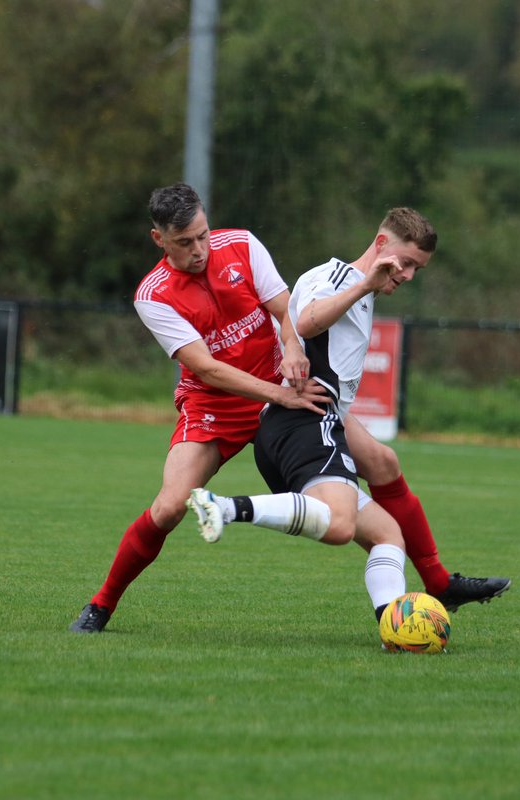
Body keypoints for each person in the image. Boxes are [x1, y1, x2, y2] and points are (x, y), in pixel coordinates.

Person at [70, 185, 509, 633]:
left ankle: (436, 583)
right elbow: (206, 367)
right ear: (158, 239)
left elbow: (286, 312)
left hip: (289, 389)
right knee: (167, 509)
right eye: (184, 242)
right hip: (220, 405)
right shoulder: (153, 293)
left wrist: (292, 350)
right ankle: (101, 605)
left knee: (382, 461)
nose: (199, 249)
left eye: (202, 235)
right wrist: (278, 394)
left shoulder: (240, 244)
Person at [187, 208, 475, 623]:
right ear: (381, 246)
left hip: (303, 425)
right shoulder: (342, 279)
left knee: (387, 534)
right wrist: (364, 286)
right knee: (340, 527)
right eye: (407, 263)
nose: (409, 275)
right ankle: (225, 507)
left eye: (418, 268)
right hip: (306, 423)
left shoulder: (351, 283)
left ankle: (396, 625)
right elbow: (306, 321)